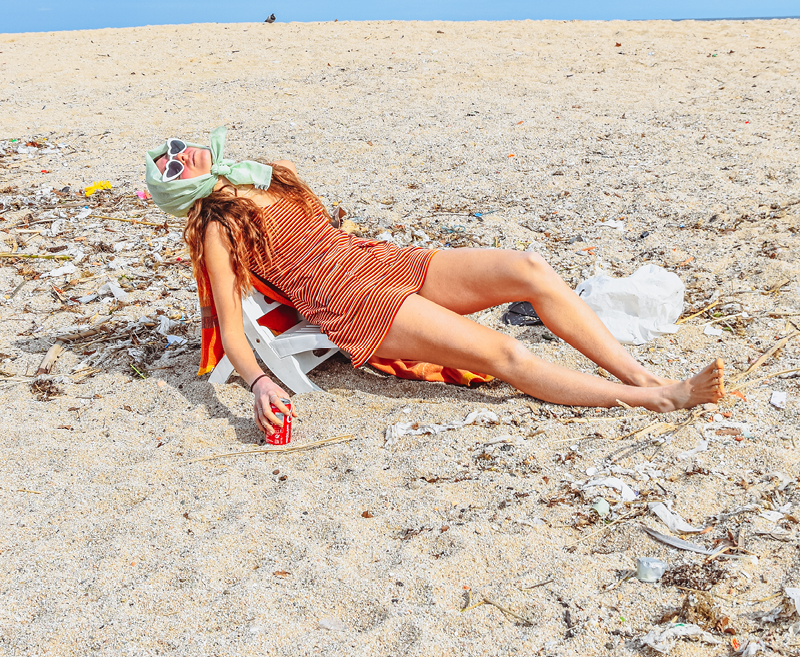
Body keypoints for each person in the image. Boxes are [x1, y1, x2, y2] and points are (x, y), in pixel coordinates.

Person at [146, 128, 724, 440]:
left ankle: (639, 374)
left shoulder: (265, 173)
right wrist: (257, 384)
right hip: (353, 301)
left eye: (174, 149)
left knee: (529, 268)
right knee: (505, 353)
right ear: (180, 190)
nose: (178, 155)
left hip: (378, 259)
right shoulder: (218, 227)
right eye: (170, 166)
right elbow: (231, 327)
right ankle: (658, 398)